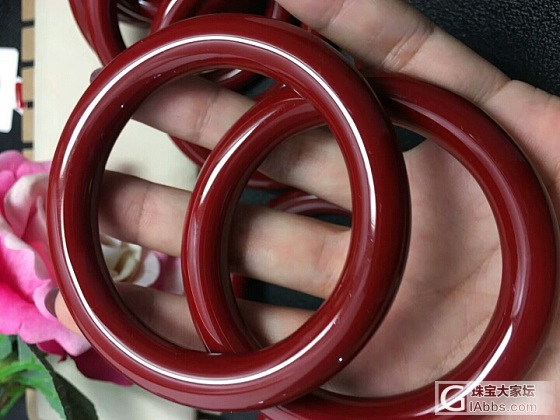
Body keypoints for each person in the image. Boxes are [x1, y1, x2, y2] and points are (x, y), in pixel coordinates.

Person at [54, 0, 559, 413]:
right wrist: (537, 399)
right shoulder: (527, 395)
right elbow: (518, 399)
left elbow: (505, 398)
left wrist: (525, 395)